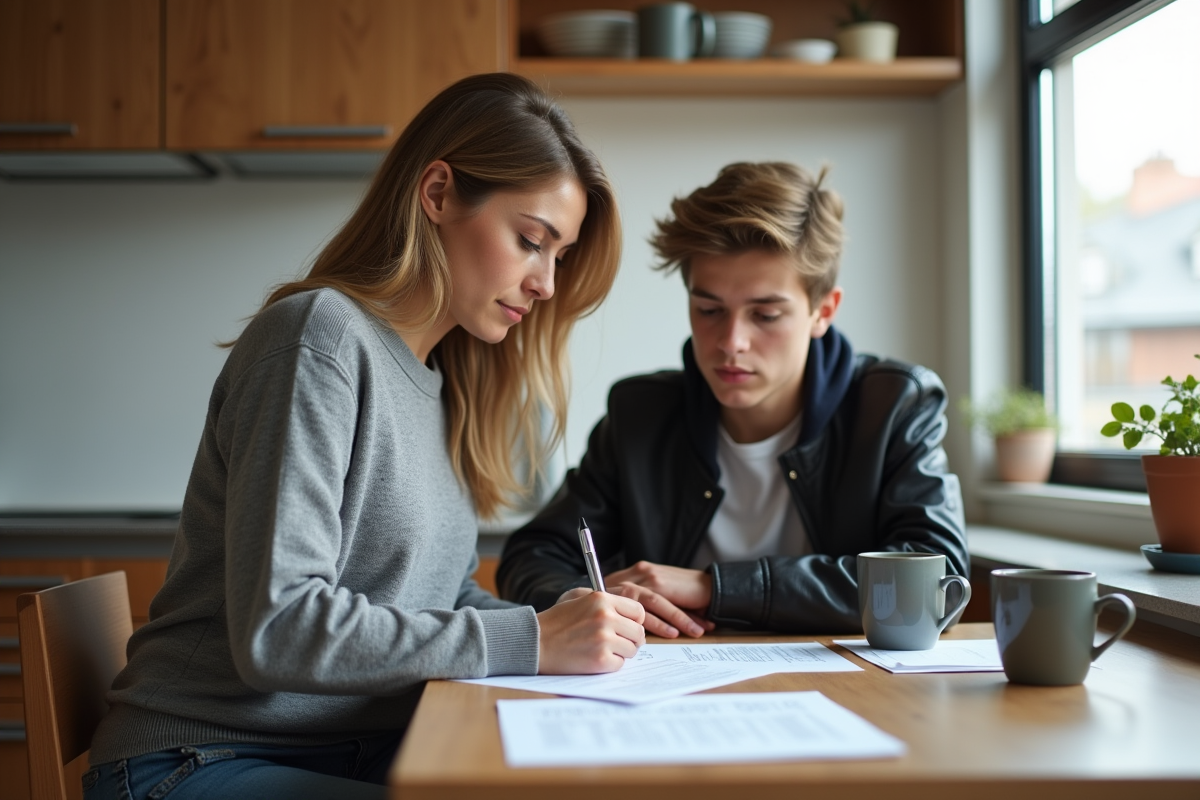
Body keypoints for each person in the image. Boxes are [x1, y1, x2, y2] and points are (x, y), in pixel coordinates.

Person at [84, 73, 647, 800]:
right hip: (202, 759)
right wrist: (534, 640)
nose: (544, 282)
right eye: (530, 240)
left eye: (559, 257)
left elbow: (436, 598)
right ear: (438, 194)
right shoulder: (319, 340)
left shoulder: (443, 380)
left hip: (356, 747)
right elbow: (280, 628)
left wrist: (571, 621)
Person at [497, 161, 968, 638]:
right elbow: (533, 556)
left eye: (765, 315)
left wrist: (713, 587)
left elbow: (940, 581)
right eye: (709, 310)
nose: (731, 341)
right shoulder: (641, 414)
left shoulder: (893, 406)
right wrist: (580, 602)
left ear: (823, 311)